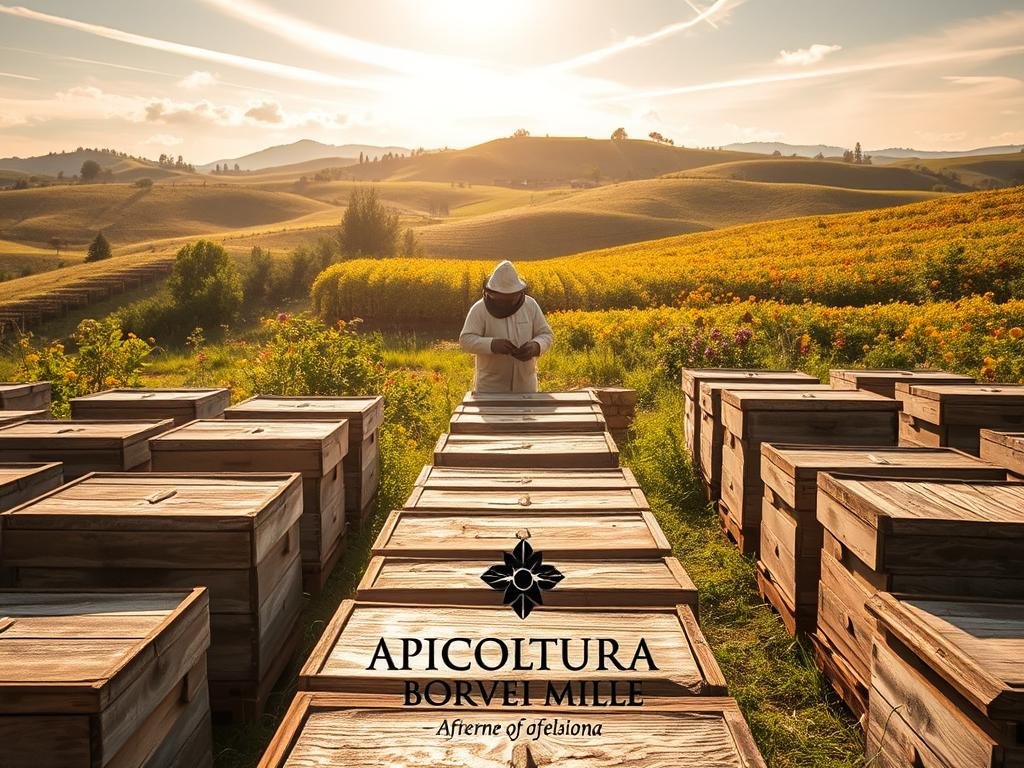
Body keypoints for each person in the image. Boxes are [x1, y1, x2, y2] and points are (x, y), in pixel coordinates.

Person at [459, 260, 553, 393]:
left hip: (526, 387)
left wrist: (536, 346)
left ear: (519, 292)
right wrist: (491, 345)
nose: (506, 302)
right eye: (502, 298)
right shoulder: (479, 309)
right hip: (490, 390)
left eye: (511, 297)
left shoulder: (530, 305)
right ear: (491, 292)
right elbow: (465, 340)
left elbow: (546, 334)